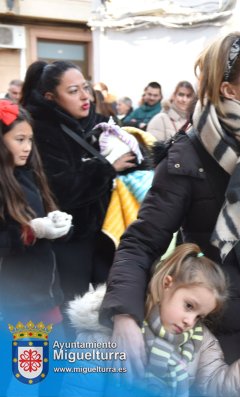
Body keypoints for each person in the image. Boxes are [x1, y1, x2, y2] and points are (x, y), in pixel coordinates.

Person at [99, 32, 240, 397]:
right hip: (210, 346)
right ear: (229, 90)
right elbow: (140, 243)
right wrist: (124, 314)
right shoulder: (186, 157)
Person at [63, 243, 240, 396]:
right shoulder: (102, 334)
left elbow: (217, 385)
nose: (190, 321)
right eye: (189, 306)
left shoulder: (200, 340)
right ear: (167, 284)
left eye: (199, 316)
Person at [20, 61, 137, 337]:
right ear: (51, 97)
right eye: (73, 91)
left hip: (108, 232)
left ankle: (111, 371)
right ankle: (63, 372)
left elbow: (129, 162)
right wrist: (107, 168)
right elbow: (61, 189)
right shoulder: (41, 129)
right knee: (69, 313)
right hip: (69, 239)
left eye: (86, 87)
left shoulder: (98, 122)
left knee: (112, 308)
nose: (85, 96)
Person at [0, 99, 72, 322]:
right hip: (13, 303)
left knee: (48, 356)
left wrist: (60, 225)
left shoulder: (30, 174)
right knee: (25, 357)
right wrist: (33, 231)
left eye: (30, 140)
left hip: (45, 296)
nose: (27, 147)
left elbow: (46, 227)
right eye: (19, 140)